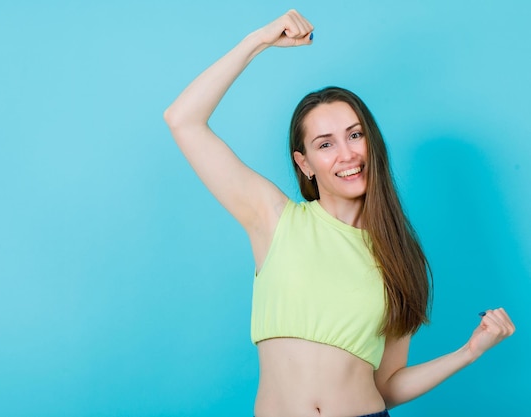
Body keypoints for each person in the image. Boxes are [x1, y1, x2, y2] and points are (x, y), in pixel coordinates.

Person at [163, 9, 515, 417]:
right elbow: (183, 119)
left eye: (354, 135)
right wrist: (258, 41)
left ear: (372, 143)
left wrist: (469, 352)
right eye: (325, 144)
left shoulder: (399, 259)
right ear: (305, 163)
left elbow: (386, 386)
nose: (347, 154)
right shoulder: (274, 218)